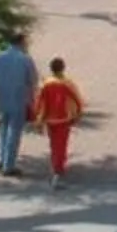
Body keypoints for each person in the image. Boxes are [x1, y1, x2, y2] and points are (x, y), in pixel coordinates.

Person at [29, 56, 86, 190]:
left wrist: (38, 119)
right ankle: (58, 170)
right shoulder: (67, 83)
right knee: (62, 145)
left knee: (54, 143)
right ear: (63, 68)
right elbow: (77, 100)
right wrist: (78, 114)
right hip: (64, 119)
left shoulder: (46, 84)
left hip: (50, 119)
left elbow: (39, 102)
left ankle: (56, 164)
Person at [0, 32, 37, 178]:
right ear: (21, 42)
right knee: (14, 132)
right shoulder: (26, 59)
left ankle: (1, 158)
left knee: (3, 128)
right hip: (18, 99)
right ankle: (8, 165)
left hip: (2, 98)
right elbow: (32, 80)